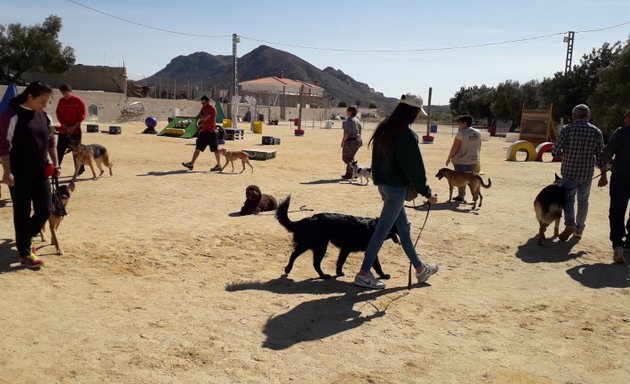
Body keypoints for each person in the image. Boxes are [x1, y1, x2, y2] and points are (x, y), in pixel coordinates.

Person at [354, 93, 438, 289]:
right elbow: (415, 168)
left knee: (404, 229)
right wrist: (427, 192)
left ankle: (420, 269)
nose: (418, 115)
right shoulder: (406, 135)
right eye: (418, 112)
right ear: (412, 111)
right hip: (396, 190)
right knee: (382, 231)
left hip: (384, 186)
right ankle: (363, 274)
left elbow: (377, 162)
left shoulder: (384, 128)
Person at [0, 81, 60, 268]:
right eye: (42, 101)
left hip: (41, 171)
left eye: (47, 101)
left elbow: (51, 141)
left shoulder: (45, 116)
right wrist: (7, 171)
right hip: (19, 173)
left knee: (44, 209)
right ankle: (25, 252)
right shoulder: (11, 115)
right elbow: (3, 145)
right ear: (30, 97)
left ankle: (25, 239)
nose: (45, 105)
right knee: (22, 212)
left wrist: (55, 163)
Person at [552, 104, 604, 241]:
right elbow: (600, 157)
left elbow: (555, 151)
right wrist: (603, 175)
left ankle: (570, 224)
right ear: (588, 116)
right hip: (587, 173)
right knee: (584, 201)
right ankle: (579, 230)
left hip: (569, 172)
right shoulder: (596, 132)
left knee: (569, 199)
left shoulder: (567, 129)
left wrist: (565, 154)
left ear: (574, 115)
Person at [598, 110, 630, 263]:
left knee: (617, 211)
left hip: (621, 178)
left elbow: (607, 153)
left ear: (628, 118)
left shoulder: (620, 132)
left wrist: (603, 165)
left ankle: (618, 243)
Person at [445, 115, 481, 202]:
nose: (459, 125)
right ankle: (475, 196)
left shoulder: (461, 133)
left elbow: (455, 147)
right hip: (473, 160)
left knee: (460, 179)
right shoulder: (478, 132)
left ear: (465, 123)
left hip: (461, 160)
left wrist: (449, 157)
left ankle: (461, 196)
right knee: (469, 178)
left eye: (460, 123)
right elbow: (479, 146)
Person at [182, 95, 222, 172]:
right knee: (197, 148)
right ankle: (191, 164)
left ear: (208, 101)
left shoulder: (212, 109)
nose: (203, 105)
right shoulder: (204, 108)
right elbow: (198, 116)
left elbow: (205, 118)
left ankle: (219, 165)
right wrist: (196, 123)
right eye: (202, 103)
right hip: (203, 132)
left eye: (204, 103)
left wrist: (200, 116)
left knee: (215, 150)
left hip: (211, 132)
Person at [55, 84, 86, 173]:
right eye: (63, 93)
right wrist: (64, 125)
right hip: (64, 131)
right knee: (59, 150)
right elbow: (58, 114)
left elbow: (82, 116)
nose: (64, 95)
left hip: (75, 131)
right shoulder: (61, 101)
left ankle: (80, 170)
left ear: (70, 92)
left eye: (66, 93)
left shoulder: (78, 101)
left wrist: (74, 126)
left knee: (77, 151)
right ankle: (56, 169)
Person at [340, 106, 362, 179]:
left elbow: (346, 133)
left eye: (347, 111)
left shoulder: (349, 120)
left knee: (346, 158)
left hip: (351, 140)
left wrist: (343, 142)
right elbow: (360, 130)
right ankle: (351, 173)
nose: (346, 112)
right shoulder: (357, 120)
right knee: (351, 157)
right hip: (358, 139)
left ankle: (353, 171)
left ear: (350, 112)